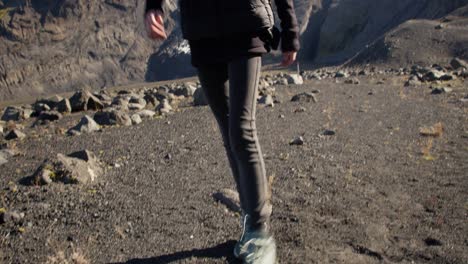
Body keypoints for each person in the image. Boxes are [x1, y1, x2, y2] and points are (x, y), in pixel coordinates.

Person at [144, 1, 300, 263]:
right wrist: (153, 5)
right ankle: (251, 218)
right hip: (203, 31)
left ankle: (259, 233)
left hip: (245, 22)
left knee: (241, 129)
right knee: (229, 131)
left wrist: (291, 29)